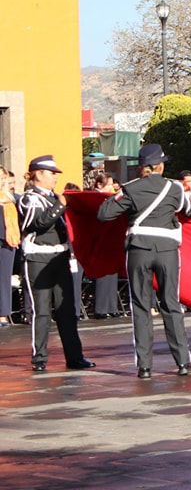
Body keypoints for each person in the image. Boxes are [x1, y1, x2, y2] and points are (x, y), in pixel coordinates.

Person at [97, 143, 191, 379]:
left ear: (142, 167)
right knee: (171, 304)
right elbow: (189, 210)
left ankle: (144, 366)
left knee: (140, 306)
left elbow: (104, 214)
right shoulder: (174, 188)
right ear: (160, 165)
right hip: (167, 249)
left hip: (139, 249)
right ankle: (183, 363)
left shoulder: (130, 189)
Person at [18, 155, 95, 372]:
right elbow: (38, 224)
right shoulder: (29, 198)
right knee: (41, 311)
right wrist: (60, 205)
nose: (55, 178)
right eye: (51, 173)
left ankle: (75, 356)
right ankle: (39, 358)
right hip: (38, 258)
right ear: (38, 174)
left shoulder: (53, 197)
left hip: (60, 257)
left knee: (66, 310)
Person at [92, 173, 121, 319]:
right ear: (99, 185)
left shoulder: (110, 198)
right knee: (103, 275)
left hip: (111, 239)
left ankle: (112, 306)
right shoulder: (95, 197)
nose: (112, 188)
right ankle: (101, 308)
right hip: (100, 240)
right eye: (108, 185)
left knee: (112, 274)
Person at [0, 165, 19, 328]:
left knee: (4, 276)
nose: (2, 181)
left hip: (7, 240)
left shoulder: (10, 199)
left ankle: (3, 313)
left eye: (3, 178)